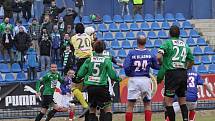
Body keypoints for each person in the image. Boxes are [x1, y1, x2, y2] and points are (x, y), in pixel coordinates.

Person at [75, 40, 122, 121]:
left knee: (92, 110)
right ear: (104, 49)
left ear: (93, 48)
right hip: (102, 87)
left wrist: (78, 79)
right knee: (108, 109)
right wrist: (119, 79)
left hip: (90, 87)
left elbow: (80, 74)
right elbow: (112, 75)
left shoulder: (89, 60)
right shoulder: (106, 60)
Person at [157, 25, 194, 121]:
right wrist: (186, 68)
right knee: (182, 101)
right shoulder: (185, 45)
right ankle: (185, 119)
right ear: (179, 34)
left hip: (172, 73)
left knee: (168, 102)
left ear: (169, 33)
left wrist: (162, 64)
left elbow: (158, 57)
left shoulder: (167, 43)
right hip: (183, 73)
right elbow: (192, 60)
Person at [123, 35, 159, 121]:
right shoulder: (150, 54)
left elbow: (126, 67)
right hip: (145, 80)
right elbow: (156, 66)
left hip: (134, 79)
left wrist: (129, 74)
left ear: (137, 42)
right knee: (147, 104)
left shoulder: (131, 53)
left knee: (130, 105)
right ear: (145, 42)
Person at [70, 23, 92, 119]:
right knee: (86, 86)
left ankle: (84, 105)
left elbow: (72, 45)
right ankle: (83, 102)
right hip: (91, 61)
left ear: (75, 30)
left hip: (82, 62)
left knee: (73, 87)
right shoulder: (88, 36)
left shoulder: (74, 37)